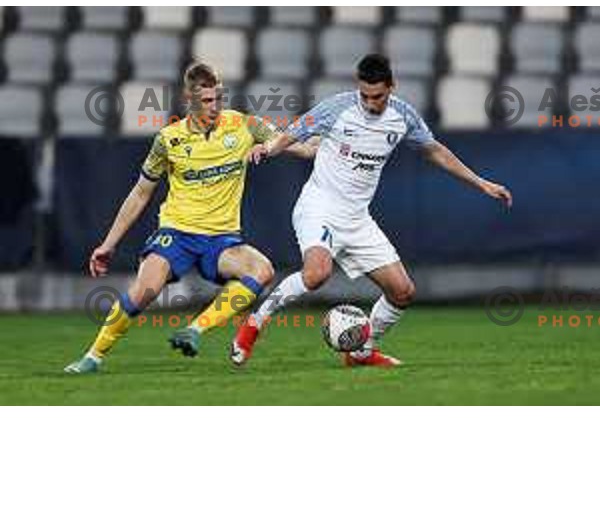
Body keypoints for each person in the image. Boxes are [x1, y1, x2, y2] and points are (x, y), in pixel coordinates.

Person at [231, 54, 513, 367]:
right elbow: (292, 134)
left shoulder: (403, 116)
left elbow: (435, 151)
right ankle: (254, 325)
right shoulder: (337, 108)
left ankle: (361, 351)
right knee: (317, 274)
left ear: (391, 87)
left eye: (377, 96)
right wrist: (266, 148)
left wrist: (481, 183)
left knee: (402, 292)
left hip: (357, 218)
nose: (369, 102)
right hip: (319, 205)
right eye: (364, 95)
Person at [64, 61, 317, 373]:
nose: (214, 107)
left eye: (218, 99)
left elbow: (303, 148)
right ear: (190, 101)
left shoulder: (244, 126)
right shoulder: (168, 139)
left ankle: (194, 330)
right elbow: (141, 192)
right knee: (146, 289)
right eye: (206, 101)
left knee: (262, 270)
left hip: (222, 240)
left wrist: (329, 136)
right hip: (177, 233)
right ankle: (92, 357)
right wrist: (109, 243)